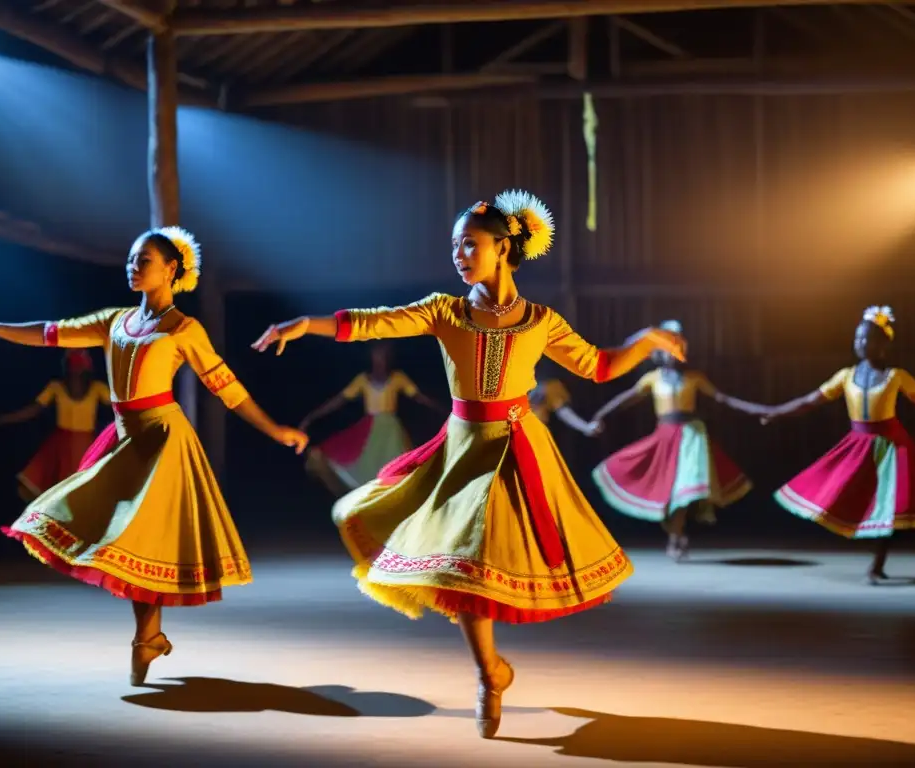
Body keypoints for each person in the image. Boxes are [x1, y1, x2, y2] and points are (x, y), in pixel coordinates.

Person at [252, 190, 684, 738]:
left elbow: (597, 366)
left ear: (504, 248)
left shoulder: (540, 320)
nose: (459, 254)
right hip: (461, 448)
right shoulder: (444, 309)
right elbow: (374, 322)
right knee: (458, 562)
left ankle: (489, 672)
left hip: (518, 447)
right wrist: (306, 325)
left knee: (477, 566)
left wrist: (644, 341)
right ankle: (489, 672)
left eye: (470, 244)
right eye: (454, 246)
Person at [0, 227, 307, 685]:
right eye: (131, 260)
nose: (132, 267)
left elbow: (227, 388)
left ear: (170, 270)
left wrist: (274, 428)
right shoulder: (115, 321)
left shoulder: (183, 329)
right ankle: (150, 637)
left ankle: (146, 637)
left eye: (143, 260)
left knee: (145, 541)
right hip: (125, 439)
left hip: (163, 439)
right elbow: (51, 334)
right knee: (101, 529)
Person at [762, 305, 915, 583]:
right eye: (858, 338)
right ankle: (874, 558)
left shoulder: (896, 376)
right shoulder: (846, 376)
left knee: (886, 506)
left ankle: (877, 564)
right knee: (847, 493)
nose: (861, 344)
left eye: (868, 339)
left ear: (883, 343)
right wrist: (776, 413)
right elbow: (809, 401)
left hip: (890, 448)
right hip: (857, 445)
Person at [590, 320, 764, 560]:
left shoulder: (694, 378)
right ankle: (677, 532)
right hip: (664, 436)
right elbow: (625, 399)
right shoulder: (653, 379)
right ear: (658, 354)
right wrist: (599, 415)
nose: (671, 354)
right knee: (669, 492)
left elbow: (723, 399)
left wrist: (757, 410)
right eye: (665, 349)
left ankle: (675, 538)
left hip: (692, 436)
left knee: (684, 488)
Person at [301, 343, 443, 494]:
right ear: (371, 356)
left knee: (395, 471)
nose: (381, 358)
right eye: (377, 354)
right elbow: (339, 400)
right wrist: (313, 416)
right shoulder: (363, 379)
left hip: (391, 432)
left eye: (384, 354)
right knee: (362, 468)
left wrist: (443, 408)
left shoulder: (397, 377)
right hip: (368, 430)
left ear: (389, 357)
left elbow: (419, 397)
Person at [0, 350, 111, 501]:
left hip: (86, 446)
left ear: (87, 370)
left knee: (84, 492)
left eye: (79, 367)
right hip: (60, 446)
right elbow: (30, 411)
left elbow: (119, 410)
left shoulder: (98, 389)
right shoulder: (56, 387)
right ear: (66, 369)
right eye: (73, 367)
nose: (76, 372)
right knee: (61, 493)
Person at [529, 361, 600, 436]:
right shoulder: (548, 389)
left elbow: (563, 412)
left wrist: (585, 427)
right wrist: (585, 427)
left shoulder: (548, 386)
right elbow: (563, 412)